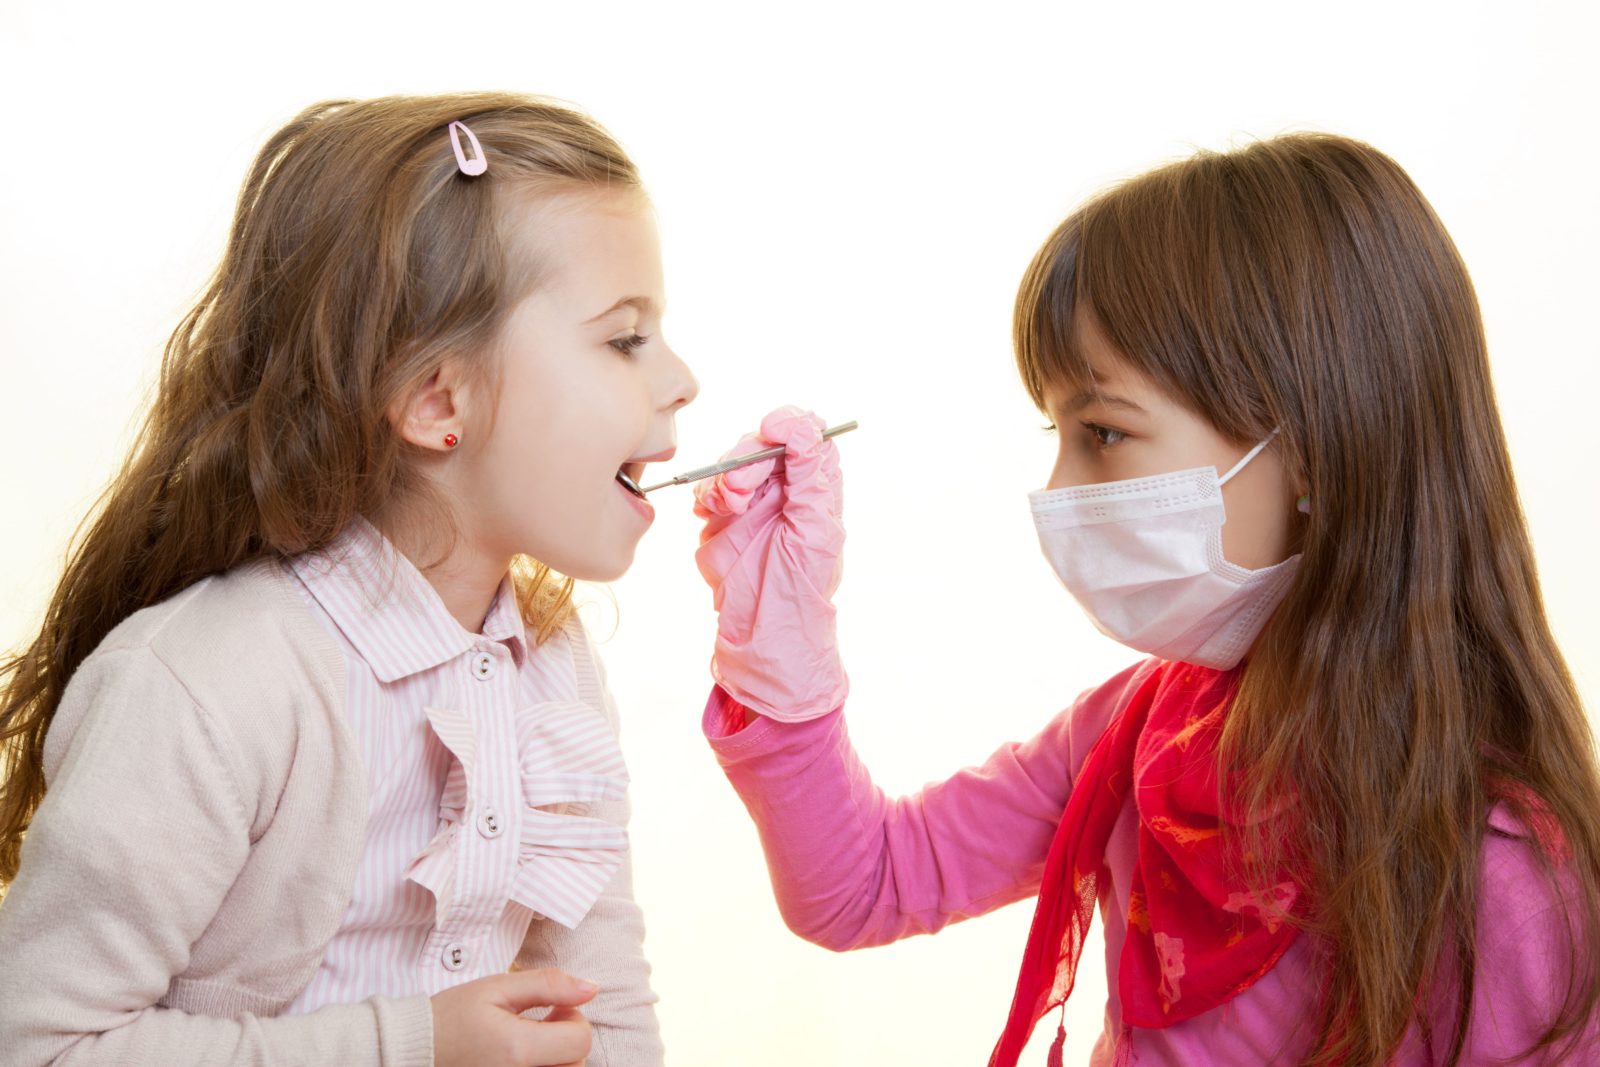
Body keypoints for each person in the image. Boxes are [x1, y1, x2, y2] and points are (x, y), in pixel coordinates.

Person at [691, 135, 1600, 1065]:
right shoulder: (1137, 733)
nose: (1061, 486)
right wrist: (780, 651)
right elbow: (863, 886)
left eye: (1104, 432)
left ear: (1319, 449)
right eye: (1060, 432)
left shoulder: (1506, 880)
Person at [0, 91, 696, 1067]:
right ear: (436, 399)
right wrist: (407, 1043)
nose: (681, 377)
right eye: (625, 336)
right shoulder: (213, 684)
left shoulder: (550, 667)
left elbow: (605, 1001)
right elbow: (39, 1042)